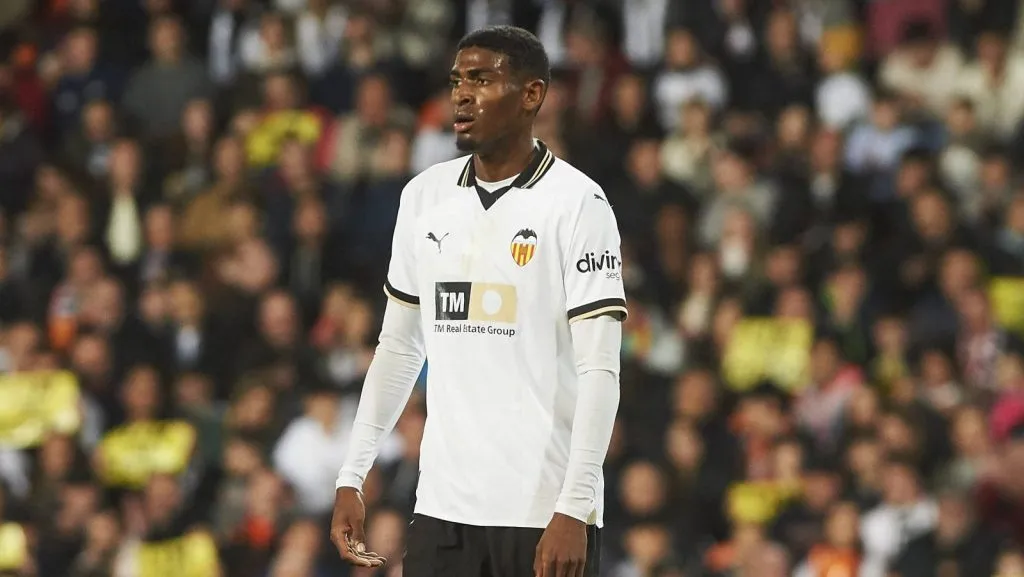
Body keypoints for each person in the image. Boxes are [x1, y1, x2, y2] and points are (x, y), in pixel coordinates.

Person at [329, 25, 627, 577]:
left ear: (531, 95)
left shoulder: (579, 205)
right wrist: (353, 474)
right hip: (442, 512)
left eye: (482, 79)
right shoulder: (423, 198)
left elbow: (600, 369)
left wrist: (574, 508)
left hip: (543, 516)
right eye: (457, 80)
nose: (461, 94)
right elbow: (398, 348)